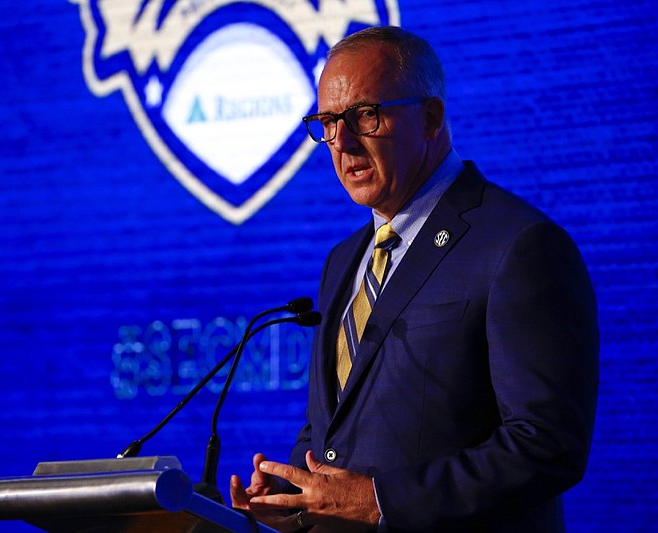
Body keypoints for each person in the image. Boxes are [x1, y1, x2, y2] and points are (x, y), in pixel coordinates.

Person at [230, 26, 599, 532]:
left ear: (430, 118)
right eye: (327, 122)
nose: (342, 142)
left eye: (365, 115)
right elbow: (333, 432)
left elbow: (547, 444)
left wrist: (380, 501)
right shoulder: (343, 261)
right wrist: (296, 496)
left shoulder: (518, 246)